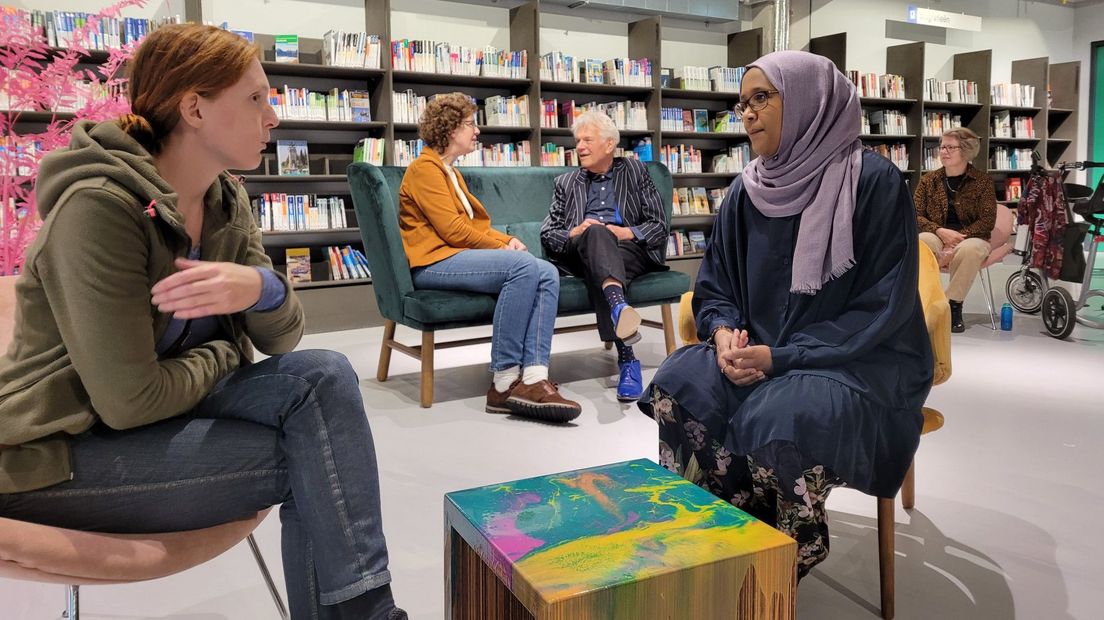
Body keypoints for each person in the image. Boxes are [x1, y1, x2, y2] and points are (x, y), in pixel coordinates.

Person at [0, 25, 405, 620]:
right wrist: (225, 354)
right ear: (194, 107)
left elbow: (285, 337)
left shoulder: (225, 201)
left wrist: (260, 289)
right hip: (56, 451)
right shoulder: (100, 208)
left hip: (156, 418)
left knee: (322, 375)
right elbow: (129, 401)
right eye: (256, 98)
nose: (274, 118)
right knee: (313, 458)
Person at [638, 51, 934, 578]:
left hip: (854, 360)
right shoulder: (747, 190)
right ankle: (711, 535)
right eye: (743, 103)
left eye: (762, 99)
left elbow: (880, 305)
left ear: (808, 102)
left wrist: (785, 356)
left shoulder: (872, 182)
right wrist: (723, 331)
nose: (747, 114)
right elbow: (716, 282)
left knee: (782, 413)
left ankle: (786, 548)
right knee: (681, 377)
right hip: (760, 350)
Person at [398, 93, 581, 423]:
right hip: (433, 263)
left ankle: (535, 376)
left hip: (455, 257)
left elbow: (470, 226)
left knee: (546, 271)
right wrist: (502, 247)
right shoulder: (424, 170)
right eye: (470, 124)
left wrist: (508, 239)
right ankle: (504, 381)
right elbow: (453, 231)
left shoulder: (449, 172)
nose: (477, 131)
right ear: (450, 128)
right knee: (525, 266)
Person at [539, 111, 669, 402]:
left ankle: (627, 351)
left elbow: (659, 225)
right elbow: (548, 234)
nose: (580, 146)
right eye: (577, 141)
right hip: (579, 250)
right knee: (596, 234)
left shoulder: (635, 172)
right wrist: (576, 231)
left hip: (628, 249)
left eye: (587, 139)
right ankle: (621, 321)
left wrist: (625, 233)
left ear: (609, 145)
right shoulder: (566, 182)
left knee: (602, 252)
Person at [914, 127, 997, 332]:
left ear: (966, 150)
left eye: (951, 147)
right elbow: (915, 215)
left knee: (969, 249)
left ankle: (951, 306)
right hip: (937, 234)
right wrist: (941, 231)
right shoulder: (928, 180)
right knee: (921, 242)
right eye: (942, 147)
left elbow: (987, 220)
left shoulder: (983, 181)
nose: (944, 152)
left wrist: (960, 238)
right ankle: (924, 303)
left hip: (972, 236)